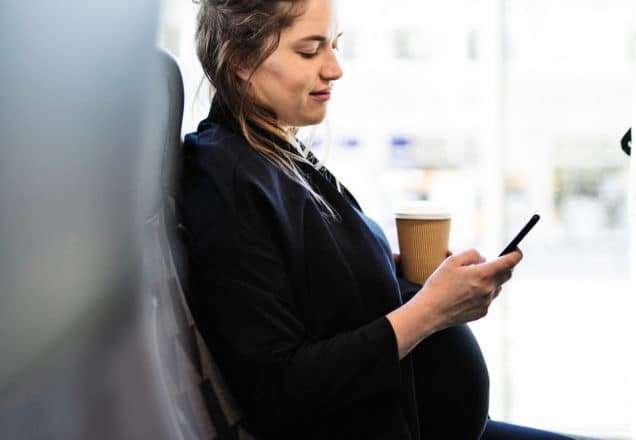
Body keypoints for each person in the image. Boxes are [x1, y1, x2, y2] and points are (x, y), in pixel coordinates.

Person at [180, 0, 574, 438]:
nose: (334, 69)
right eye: (310, 51)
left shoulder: (277, 155)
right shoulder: (226, 182)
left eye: (334, 46)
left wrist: (401, 274)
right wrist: (431, 310)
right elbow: (280, 389)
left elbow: (313, 294)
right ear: (239, 59)